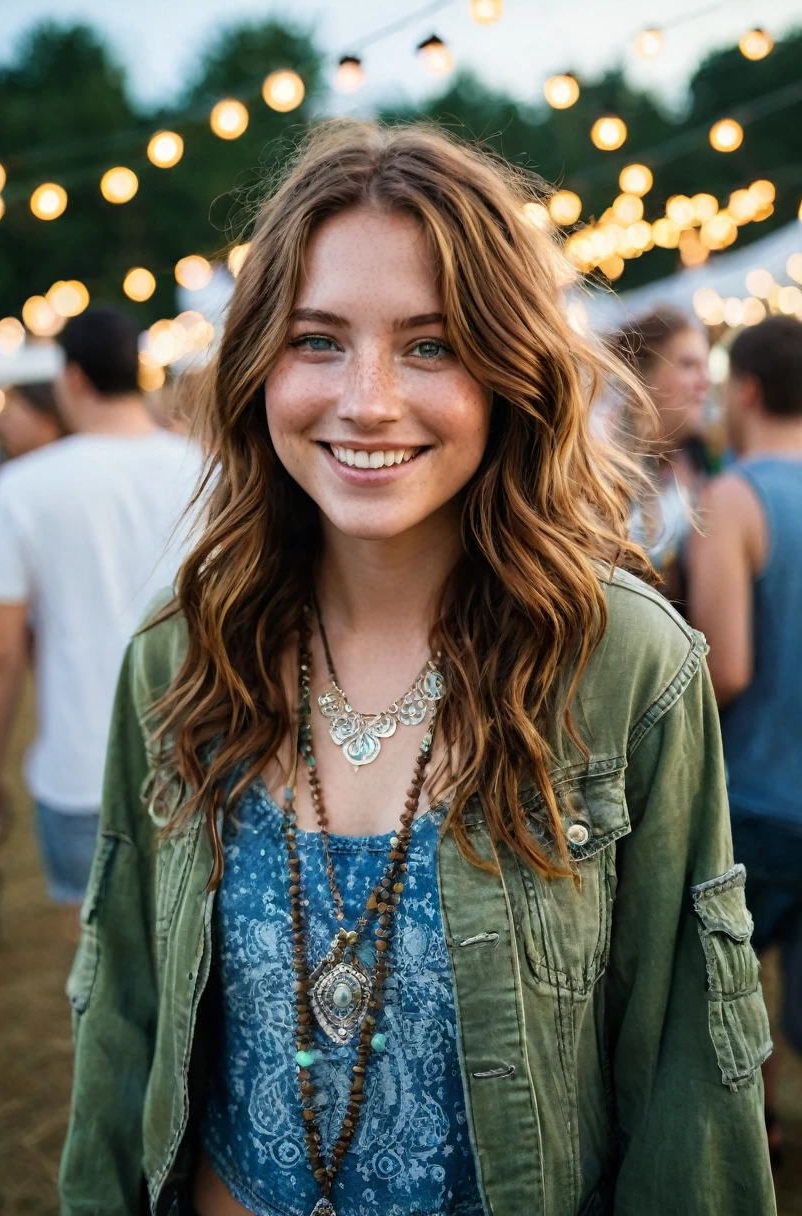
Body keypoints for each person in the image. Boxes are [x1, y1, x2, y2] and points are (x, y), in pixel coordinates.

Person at [59, 123, 774, 1216]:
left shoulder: (625, 664)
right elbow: (123, 1025)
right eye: (318, 339)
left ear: (508, 370)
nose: (369, 399)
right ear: (258, 364)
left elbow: (688, 1086)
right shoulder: (176, 655)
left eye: (430, 345)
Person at [0, 307, 202, 904]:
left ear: (72, 379)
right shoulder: (206, 469)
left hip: (80, 770)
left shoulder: (20, 489)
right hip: (198, 759)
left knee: (101, 974)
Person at [688, 314, 802, 1169]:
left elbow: (724, 667)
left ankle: (759, 1148)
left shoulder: (734, 497)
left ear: (749, 389)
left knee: (735, 1005)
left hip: (757, 795)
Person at [609, 307, 712, 606]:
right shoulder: (606, 472)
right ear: (646, 374)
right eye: (689, 364)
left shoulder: (700, 458)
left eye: (706, 365)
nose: (705, 380)